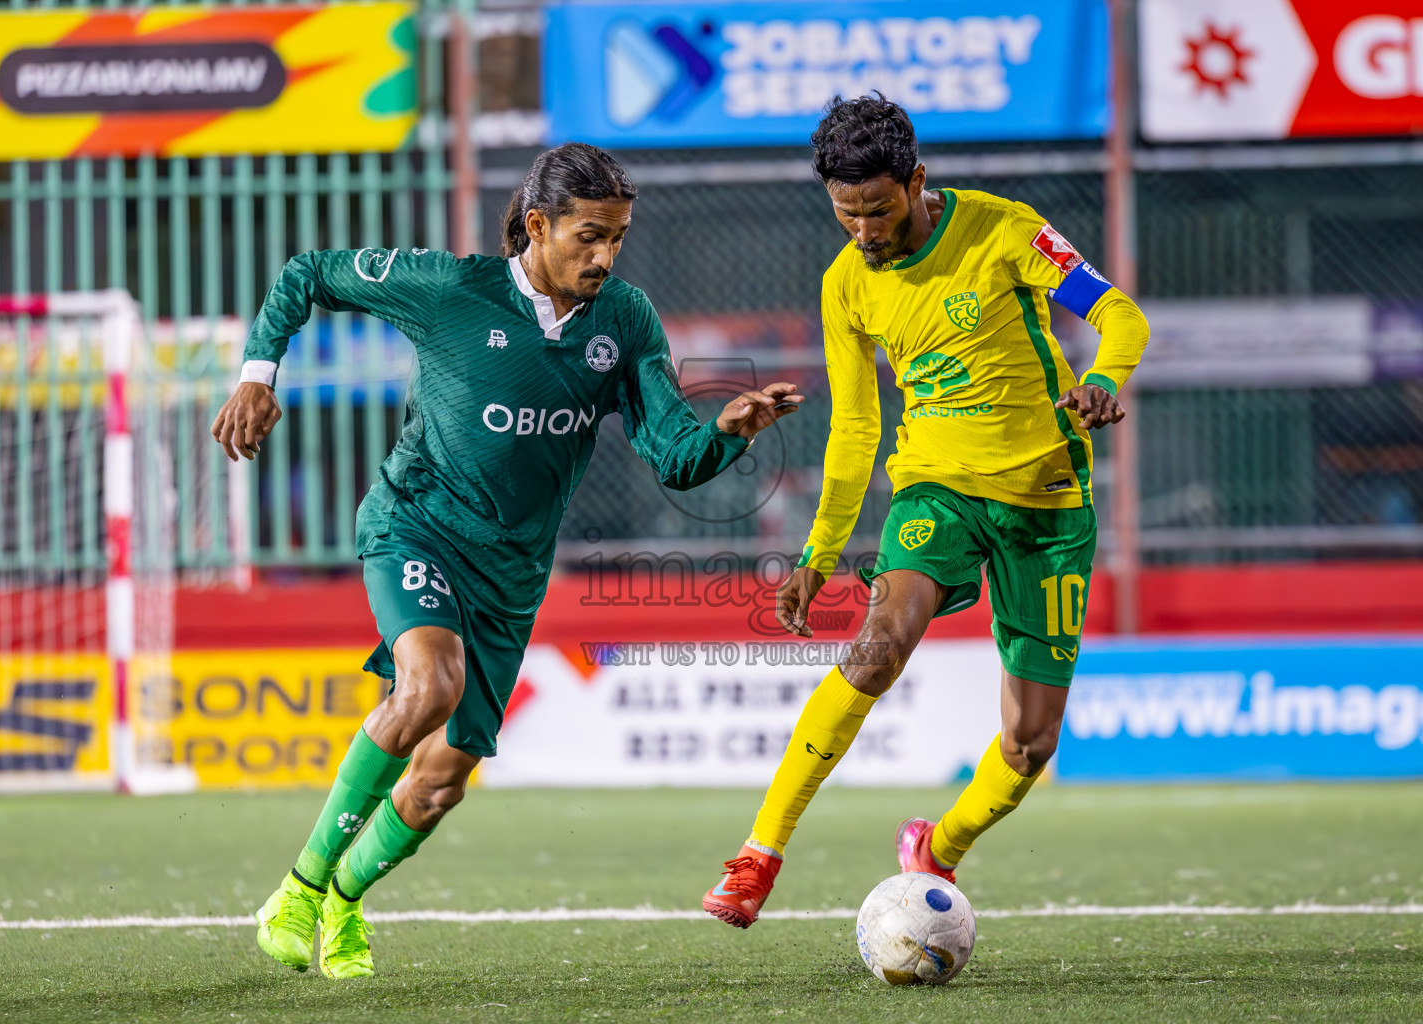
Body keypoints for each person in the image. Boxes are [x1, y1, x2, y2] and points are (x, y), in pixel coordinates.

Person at [211, 142, 802, 976]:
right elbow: (310, 271)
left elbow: (672, 454)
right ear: (537, 225)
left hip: (510, 574)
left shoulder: (625, 319)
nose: (606, 256)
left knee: (440, 781)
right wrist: (258, 373)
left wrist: (728, 431)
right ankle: (300, 889)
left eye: (619, 239)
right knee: (429, 686)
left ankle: (343, 902)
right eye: (590, 237)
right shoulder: (452, 289)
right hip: (415, 523)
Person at [702, 95, 1148, 928]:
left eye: (878, 209)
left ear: (916, 181)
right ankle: (758, 856)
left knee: (1028, 746)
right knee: (875, 650)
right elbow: (856, 426)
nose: (864, 231)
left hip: (1047, 498)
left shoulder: (1006, 229)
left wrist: (1103, 382)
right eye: (846, 214)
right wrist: (818, 556)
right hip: (936, 487)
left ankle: (937, 849)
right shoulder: (846, 286)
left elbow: (1120, 313)